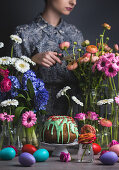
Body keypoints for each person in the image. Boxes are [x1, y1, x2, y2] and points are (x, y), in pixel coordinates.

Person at [12, 0, 84, 119]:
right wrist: (32, 61)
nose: (73, 2)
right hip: (35, 119)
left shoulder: (75, 34)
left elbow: (83, 80)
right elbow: (9, 82)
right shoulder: (24, 33)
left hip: (72, 117)